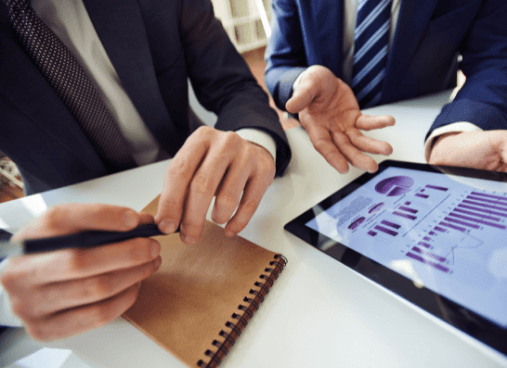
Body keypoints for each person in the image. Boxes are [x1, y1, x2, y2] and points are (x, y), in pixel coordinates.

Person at [0, 0, 291, 340]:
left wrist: (254, 140)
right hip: (62, 238)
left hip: (194, 182)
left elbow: (233, 86)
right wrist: (5, 294)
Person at [264, 0, 507, 179]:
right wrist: (301, 83)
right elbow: (280, 63)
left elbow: (501, 53)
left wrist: (462, 127)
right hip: (321, 150)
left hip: (421, 145)